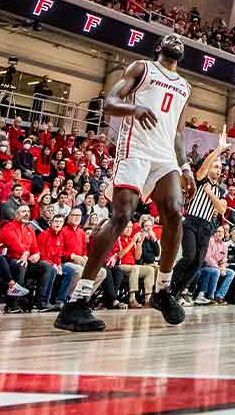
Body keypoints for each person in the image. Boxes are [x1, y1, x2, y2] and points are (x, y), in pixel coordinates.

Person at [55, 34, 195, 333]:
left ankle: (163, 290)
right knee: (121, 218)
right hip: (135, 149)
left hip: (165, 156)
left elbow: (178, 133)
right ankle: (76, 302)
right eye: (170, 38)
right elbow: (110, 102)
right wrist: (134, 109)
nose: (177, 40)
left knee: (174, 212)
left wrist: (185, 166)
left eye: (181, 39)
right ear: (159, 48)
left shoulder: (185, 86)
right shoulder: (142, 68)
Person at [170, 138, 227, 304]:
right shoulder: (201, 178)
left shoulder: (220, 190)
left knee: (197, 263)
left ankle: (176, 292)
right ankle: (169, 282)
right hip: (191, 222)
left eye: (220, 168)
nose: (218, 170)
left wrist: (210, 194)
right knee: (189, 256)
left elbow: (222, 209)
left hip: (206, 227)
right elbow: (203, 167)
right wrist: (218, 150)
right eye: (216, 166)